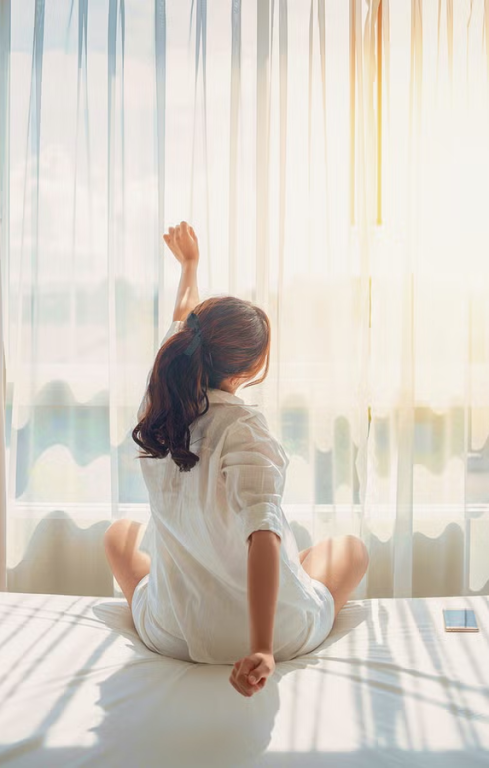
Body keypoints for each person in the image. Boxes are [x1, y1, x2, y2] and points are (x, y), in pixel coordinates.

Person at [104, 221, 369, 698]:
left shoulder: (157, 406)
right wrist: (263, 648)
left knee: (118, 542)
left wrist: (188, 267)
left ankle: (279, 577)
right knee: (350, 550)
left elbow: (184, 319)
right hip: (263, 634)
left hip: (174, 633)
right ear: (249, 370)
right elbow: (261, 533)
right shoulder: (242, 427)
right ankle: (290, 591)